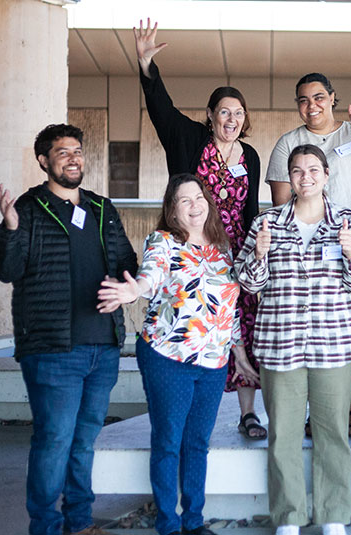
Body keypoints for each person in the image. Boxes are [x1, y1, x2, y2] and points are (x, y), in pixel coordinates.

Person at [0, 123, 137, 535]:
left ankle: (80, 522)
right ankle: (46, 527)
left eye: (77, 150)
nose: (73, 158)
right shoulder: (30, 208)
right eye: (62, 152)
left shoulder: (102, 209)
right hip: (53, 349)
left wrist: (129, 288)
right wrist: (11, 230)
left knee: (84, 441)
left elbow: (128, 265)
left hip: (103, 348)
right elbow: (7, 270)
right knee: (54, 441)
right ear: (44, 161)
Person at [134, 18, 265, 439]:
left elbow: (249, 207)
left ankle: (247, 413)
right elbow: (161, 110)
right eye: (224, 111)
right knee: (190, 319)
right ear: (210, 115)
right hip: (193, 246)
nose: (231, 118)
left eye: (238, 112)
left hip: (234, 251)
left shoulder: (251, 154)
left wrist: (255, 252)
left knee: (241, 322)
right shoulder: (189, 138)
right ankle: (186, 399)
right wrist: (146, 65)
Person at [238, 145, 351, 535]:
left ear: (327, 174)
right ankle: (289, 518)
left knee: (332, 431)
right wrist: (260, 255)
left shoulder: (349, 221)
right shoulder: (266, 224)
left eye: (313, 170)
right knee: (283, 433)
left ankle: (333, 516)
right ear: (290, 178)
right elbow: (248, 284)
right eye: (297, 171)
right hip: (280, 344)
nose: (306, 177)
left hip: (334, 344)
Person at [98, 174, 241, 535]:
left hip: (213, 361)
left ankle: (194, 522)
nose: (195, 205)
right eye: (184, 200)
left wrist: (237, 350)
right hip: (168, 356)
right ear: (172, 211)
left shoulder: (222, 247)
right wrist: (135, 291)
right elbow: (150, 277)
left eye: (199, 197)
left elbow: (229, 304)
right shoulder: (162, 241)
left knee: (197, 442)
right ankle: (168, 523)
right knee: (168, 440)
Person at [267, 72, 351, 437]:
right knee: (308, 333)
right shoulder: (289, 142)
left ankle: (349, 409)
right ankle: (312, 412)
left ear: (332, 98)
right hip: (310, 255)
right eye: (303, 100)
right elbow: (280, 205)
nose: (311, 106)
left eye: (318, 97)